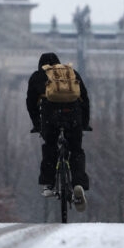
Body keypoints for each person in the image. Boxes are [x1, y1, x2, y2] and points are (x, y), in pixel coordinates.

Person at [26, 52, 91, 211]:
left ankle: (48, 184)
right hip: (73, 115)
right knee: (76, 150)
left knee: (50, 147)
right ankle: (78, 183)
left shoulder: (38, 76)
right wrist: (84, 123)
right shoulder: (71, 73)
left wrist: (37, 125)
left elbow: (31, 104)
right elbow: (85, 99)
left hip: (50, 116)